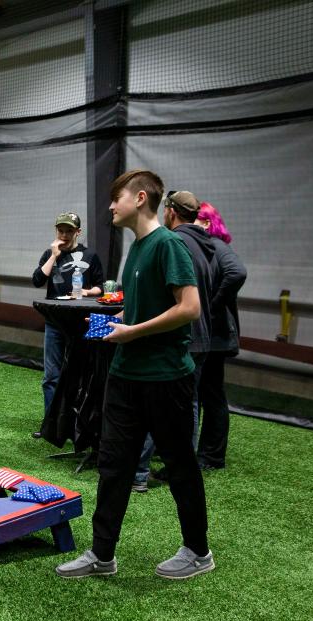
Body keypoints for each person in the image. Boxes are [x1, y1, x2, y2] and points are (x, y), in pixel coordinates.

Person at [55, 169, 213, 580]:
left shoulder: (169, 245)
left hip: (166, 378)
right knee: (113, 466)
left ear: (140, 199)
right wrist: (114, 322)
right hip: (126, 377)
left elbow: (189, 308)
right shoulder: (137, 249)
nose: (110, 206)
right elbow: (141, 307)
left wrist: (132, 332)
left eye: (116, 198)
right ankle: (102, 555)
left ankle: (198, 551)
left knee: (180, 466)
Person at [133, 190, 217, 492]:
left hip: (182, 339)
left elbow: (185, 304)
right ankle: (180, 467)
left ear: (170, 211)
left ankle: (139, 472)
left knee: (158, 406)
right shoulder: (210, 245)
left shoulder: (174, 243)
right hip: (204, 336)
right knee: (188, 405)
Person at [31, 211, 104, 418]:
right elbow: (37, 280)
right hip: (54, 321)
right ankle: (51, 423)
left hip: (81, 321)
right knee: (51, 376)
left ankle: (76, 423)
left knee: (80, 374)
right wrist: (54, 255)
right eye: (60, 230)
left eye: (69, 231)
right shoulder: (50, 254)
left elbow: (102, 287)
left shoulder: (90, 256)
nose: (64, 235)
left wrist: (86, 292)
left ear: (78, 232)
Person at [195, 202, 246, 469]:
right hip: (211, 335)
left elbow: (237, 272)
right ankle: (205, 453)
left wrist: (210, 304)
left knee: (211, 395)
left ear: (206, 223)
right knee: (207, 393)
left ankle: (212, 456)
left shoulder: (216, 246)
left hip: (215, 336)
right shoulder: (209, 247)